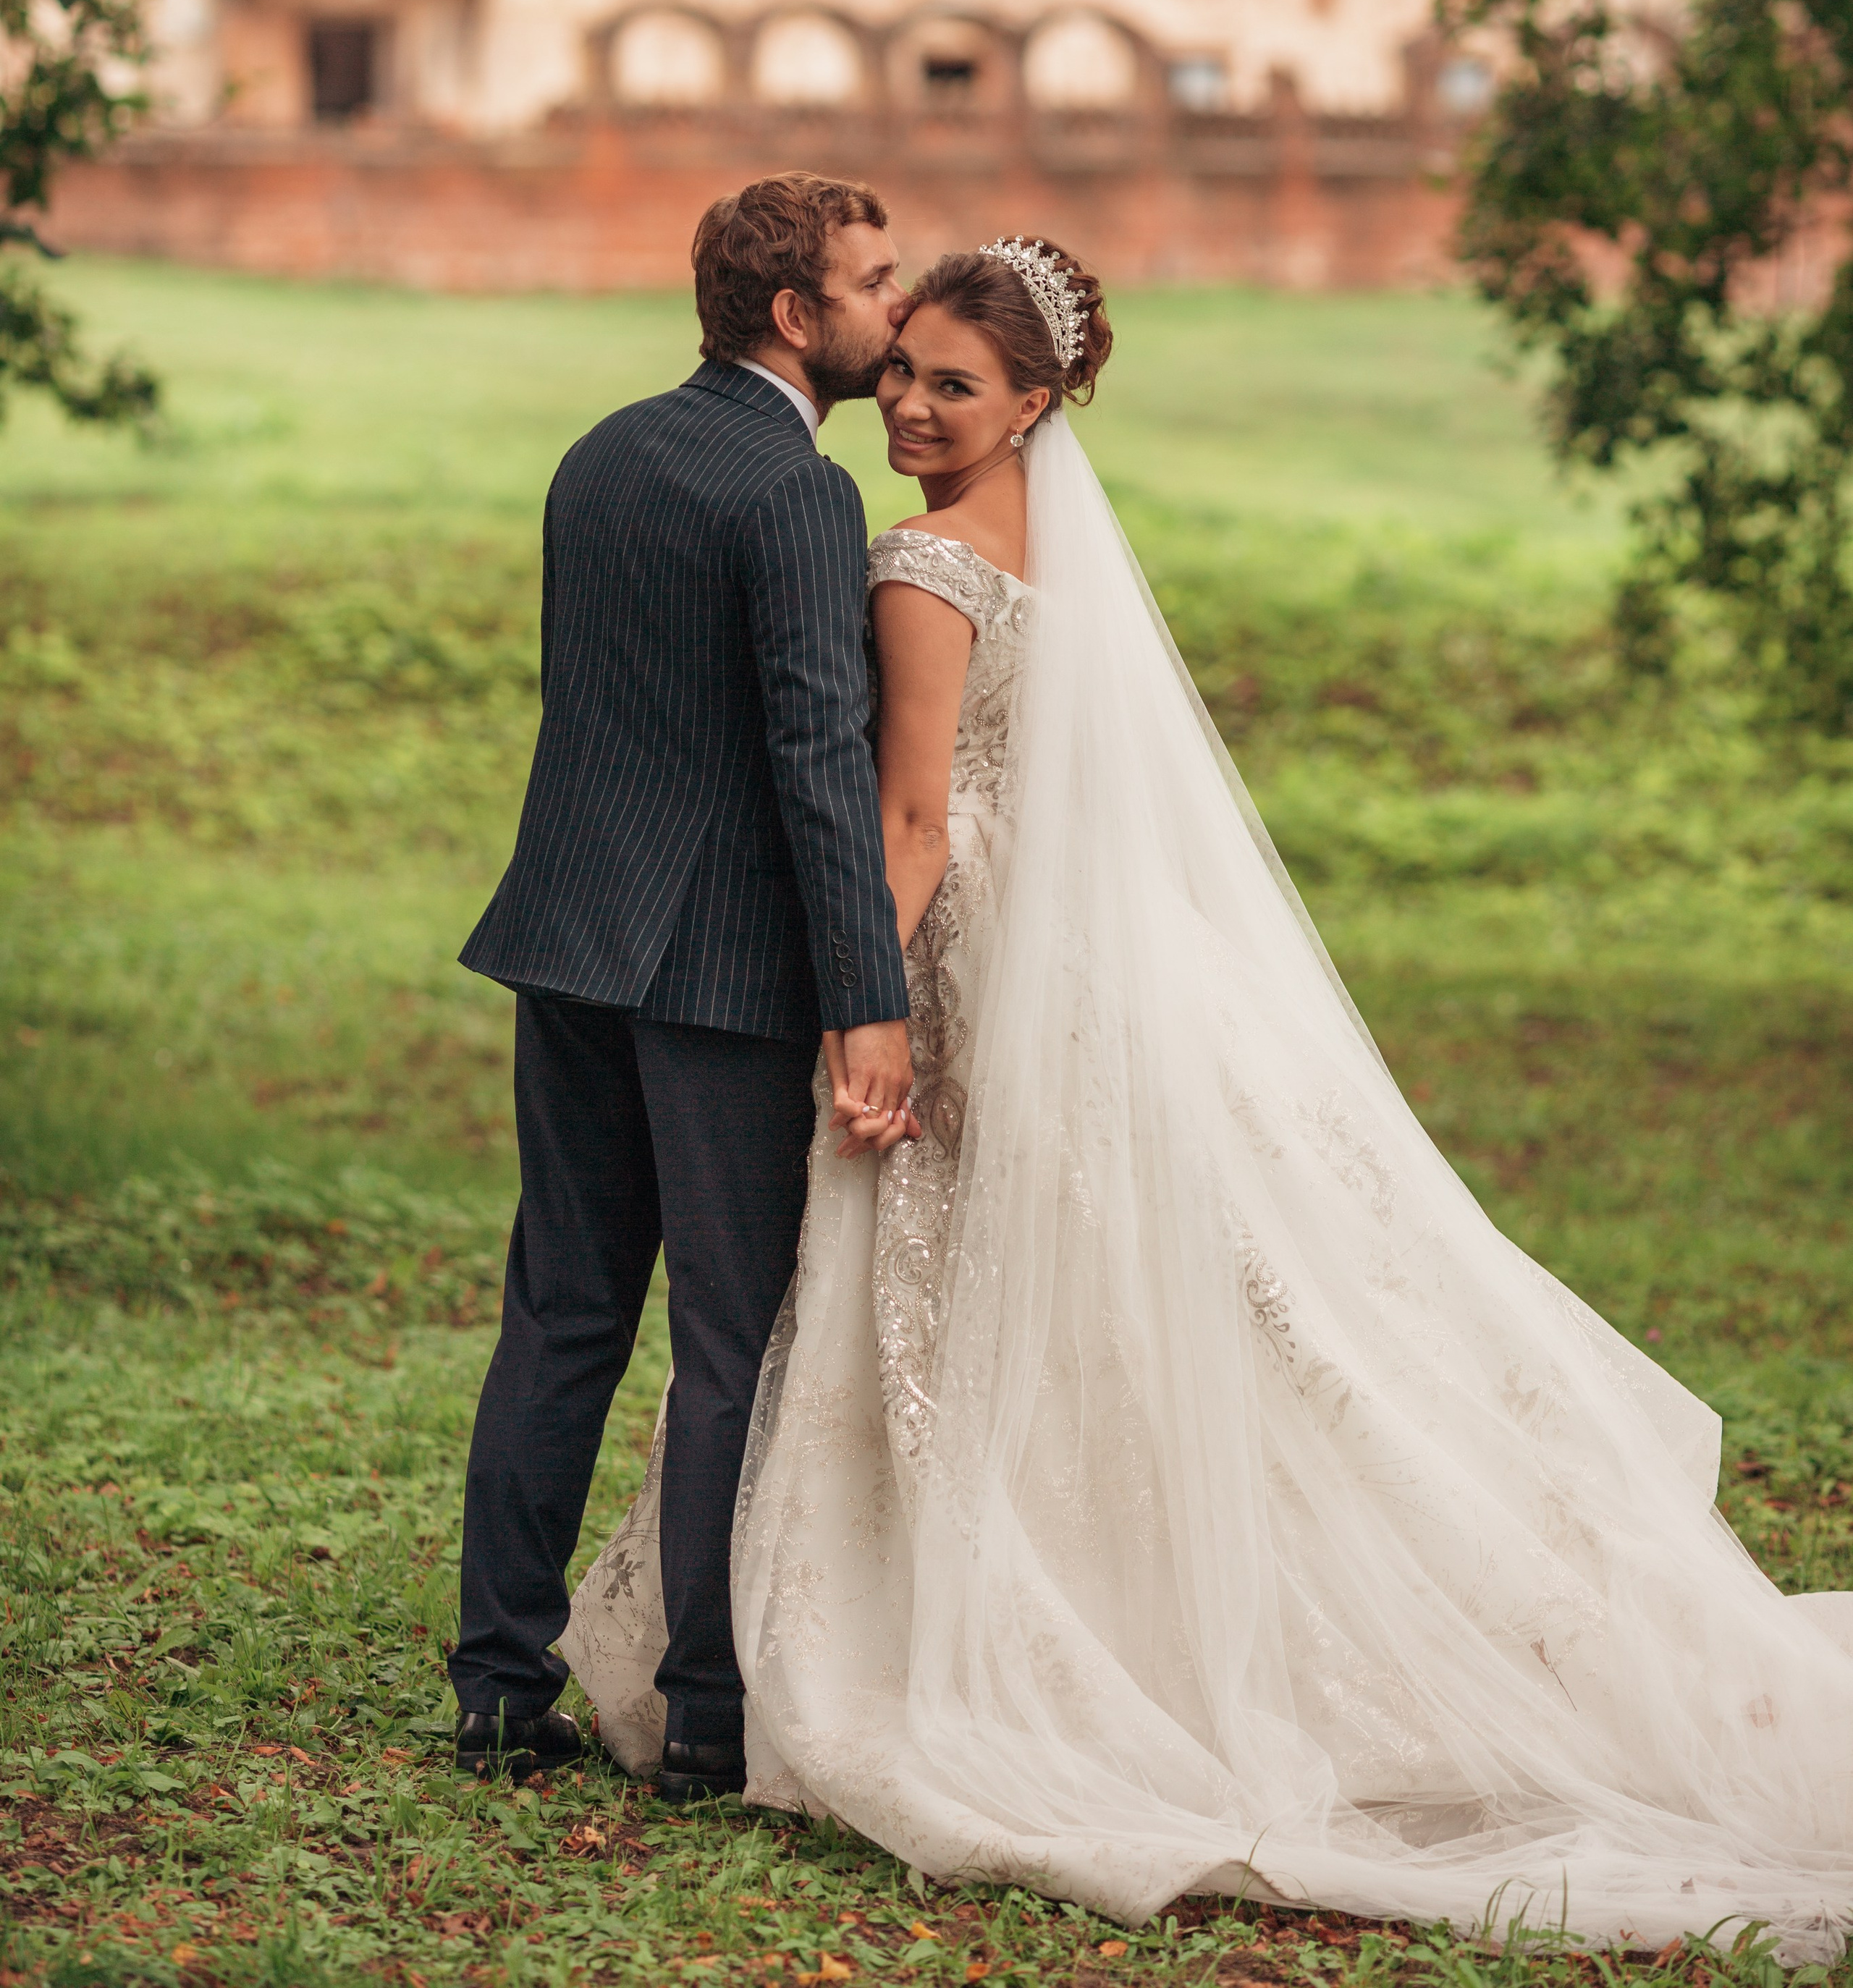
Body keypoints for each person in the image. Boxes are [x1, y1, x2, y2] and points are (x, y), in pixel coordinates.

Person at [569, 237, 1853, 1959]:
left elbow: (913, 822)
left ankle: (1008, 1630)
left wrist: (857, 1013)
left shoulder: (924, 564)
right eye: (911, 372)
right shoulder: (1052, 540)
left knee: (985, 1288)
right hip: (1093, 963)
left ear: (1038, 397)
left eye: (959, 383)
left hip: (969, 967)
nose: (916, 407)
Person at [449, 172, 919, 1795]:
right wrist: (871, 995)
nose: (893, 306)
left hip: (566, 943)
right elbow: (813, 758)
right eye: (873, 282)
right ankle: (708, 1716)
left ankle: (498, 1688)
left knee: (562, 1315)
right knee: (729, 1339)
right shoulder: (796, 500)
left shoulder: (604, 451)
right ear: (798, 317)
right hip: (717, 975)